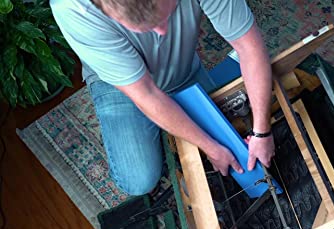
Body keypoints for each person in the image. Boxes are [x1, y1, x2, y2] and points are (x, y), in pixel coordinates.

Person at [50, 0, 275, 195]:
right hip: (121, 85)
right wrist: (211, 148)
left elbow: (248, 46)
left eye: (166, 16)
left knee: (232, 133)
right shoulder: (74, 9)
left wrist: (262, 131)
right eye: (145, 27)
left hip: (181, 68)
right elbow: (146, 94)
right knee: (139, 181)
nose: (162, 33)